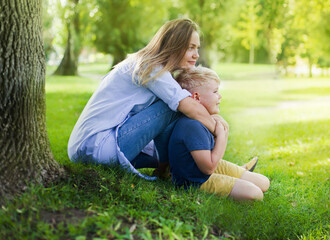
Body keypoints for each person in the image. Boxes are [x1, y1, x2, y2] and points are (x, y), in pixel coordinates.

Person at [67, 18, 217, 180]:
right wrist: (218, 130)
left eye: (197, 48)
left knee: (179, 150)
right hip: (96, 146)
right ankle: (170, 170)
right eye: (190, 48)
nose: (196, 55)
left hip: (90, 147)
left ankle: (230, 171)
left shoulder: (148, 64)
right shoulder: (150, 66)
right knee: (175, 106)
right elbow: (189, 106)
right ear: (174, 45)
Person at [169, 67, 270, 201]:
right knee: (255, 194)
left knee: (264, 183)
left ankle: (237, 174)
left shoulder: (203, 120)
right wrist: (222, 135)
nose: (220, 96)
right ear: (197, 98)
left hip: (203, 169)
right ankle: (236, 177)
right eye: (215, 91)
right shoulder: (191, 126)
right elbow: (209, 168)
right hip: (195, 180)